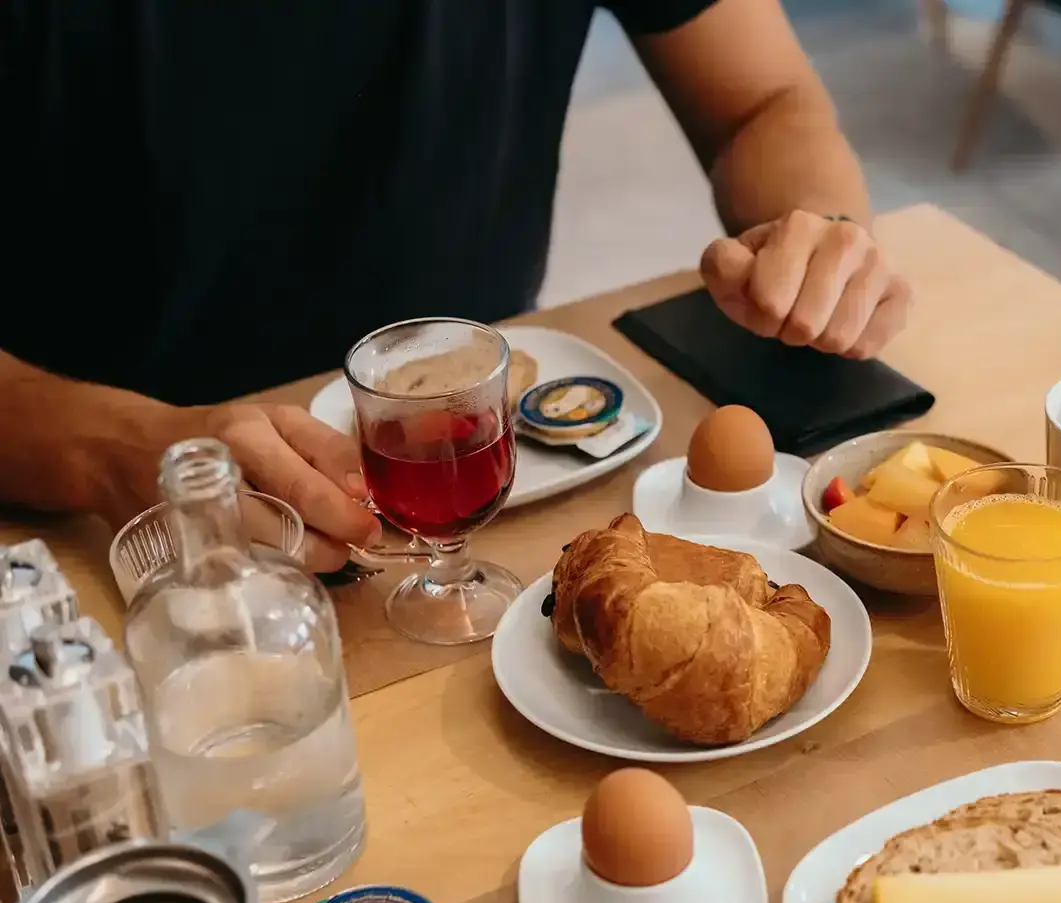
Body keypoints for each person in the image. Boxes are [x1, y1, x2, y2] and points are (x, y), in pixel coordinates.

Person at [0, 0, 912, 570]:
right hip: (118, 532)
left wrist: (821, 233)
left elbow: (765, 100)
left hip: (499, 493)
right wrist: (115, 447)